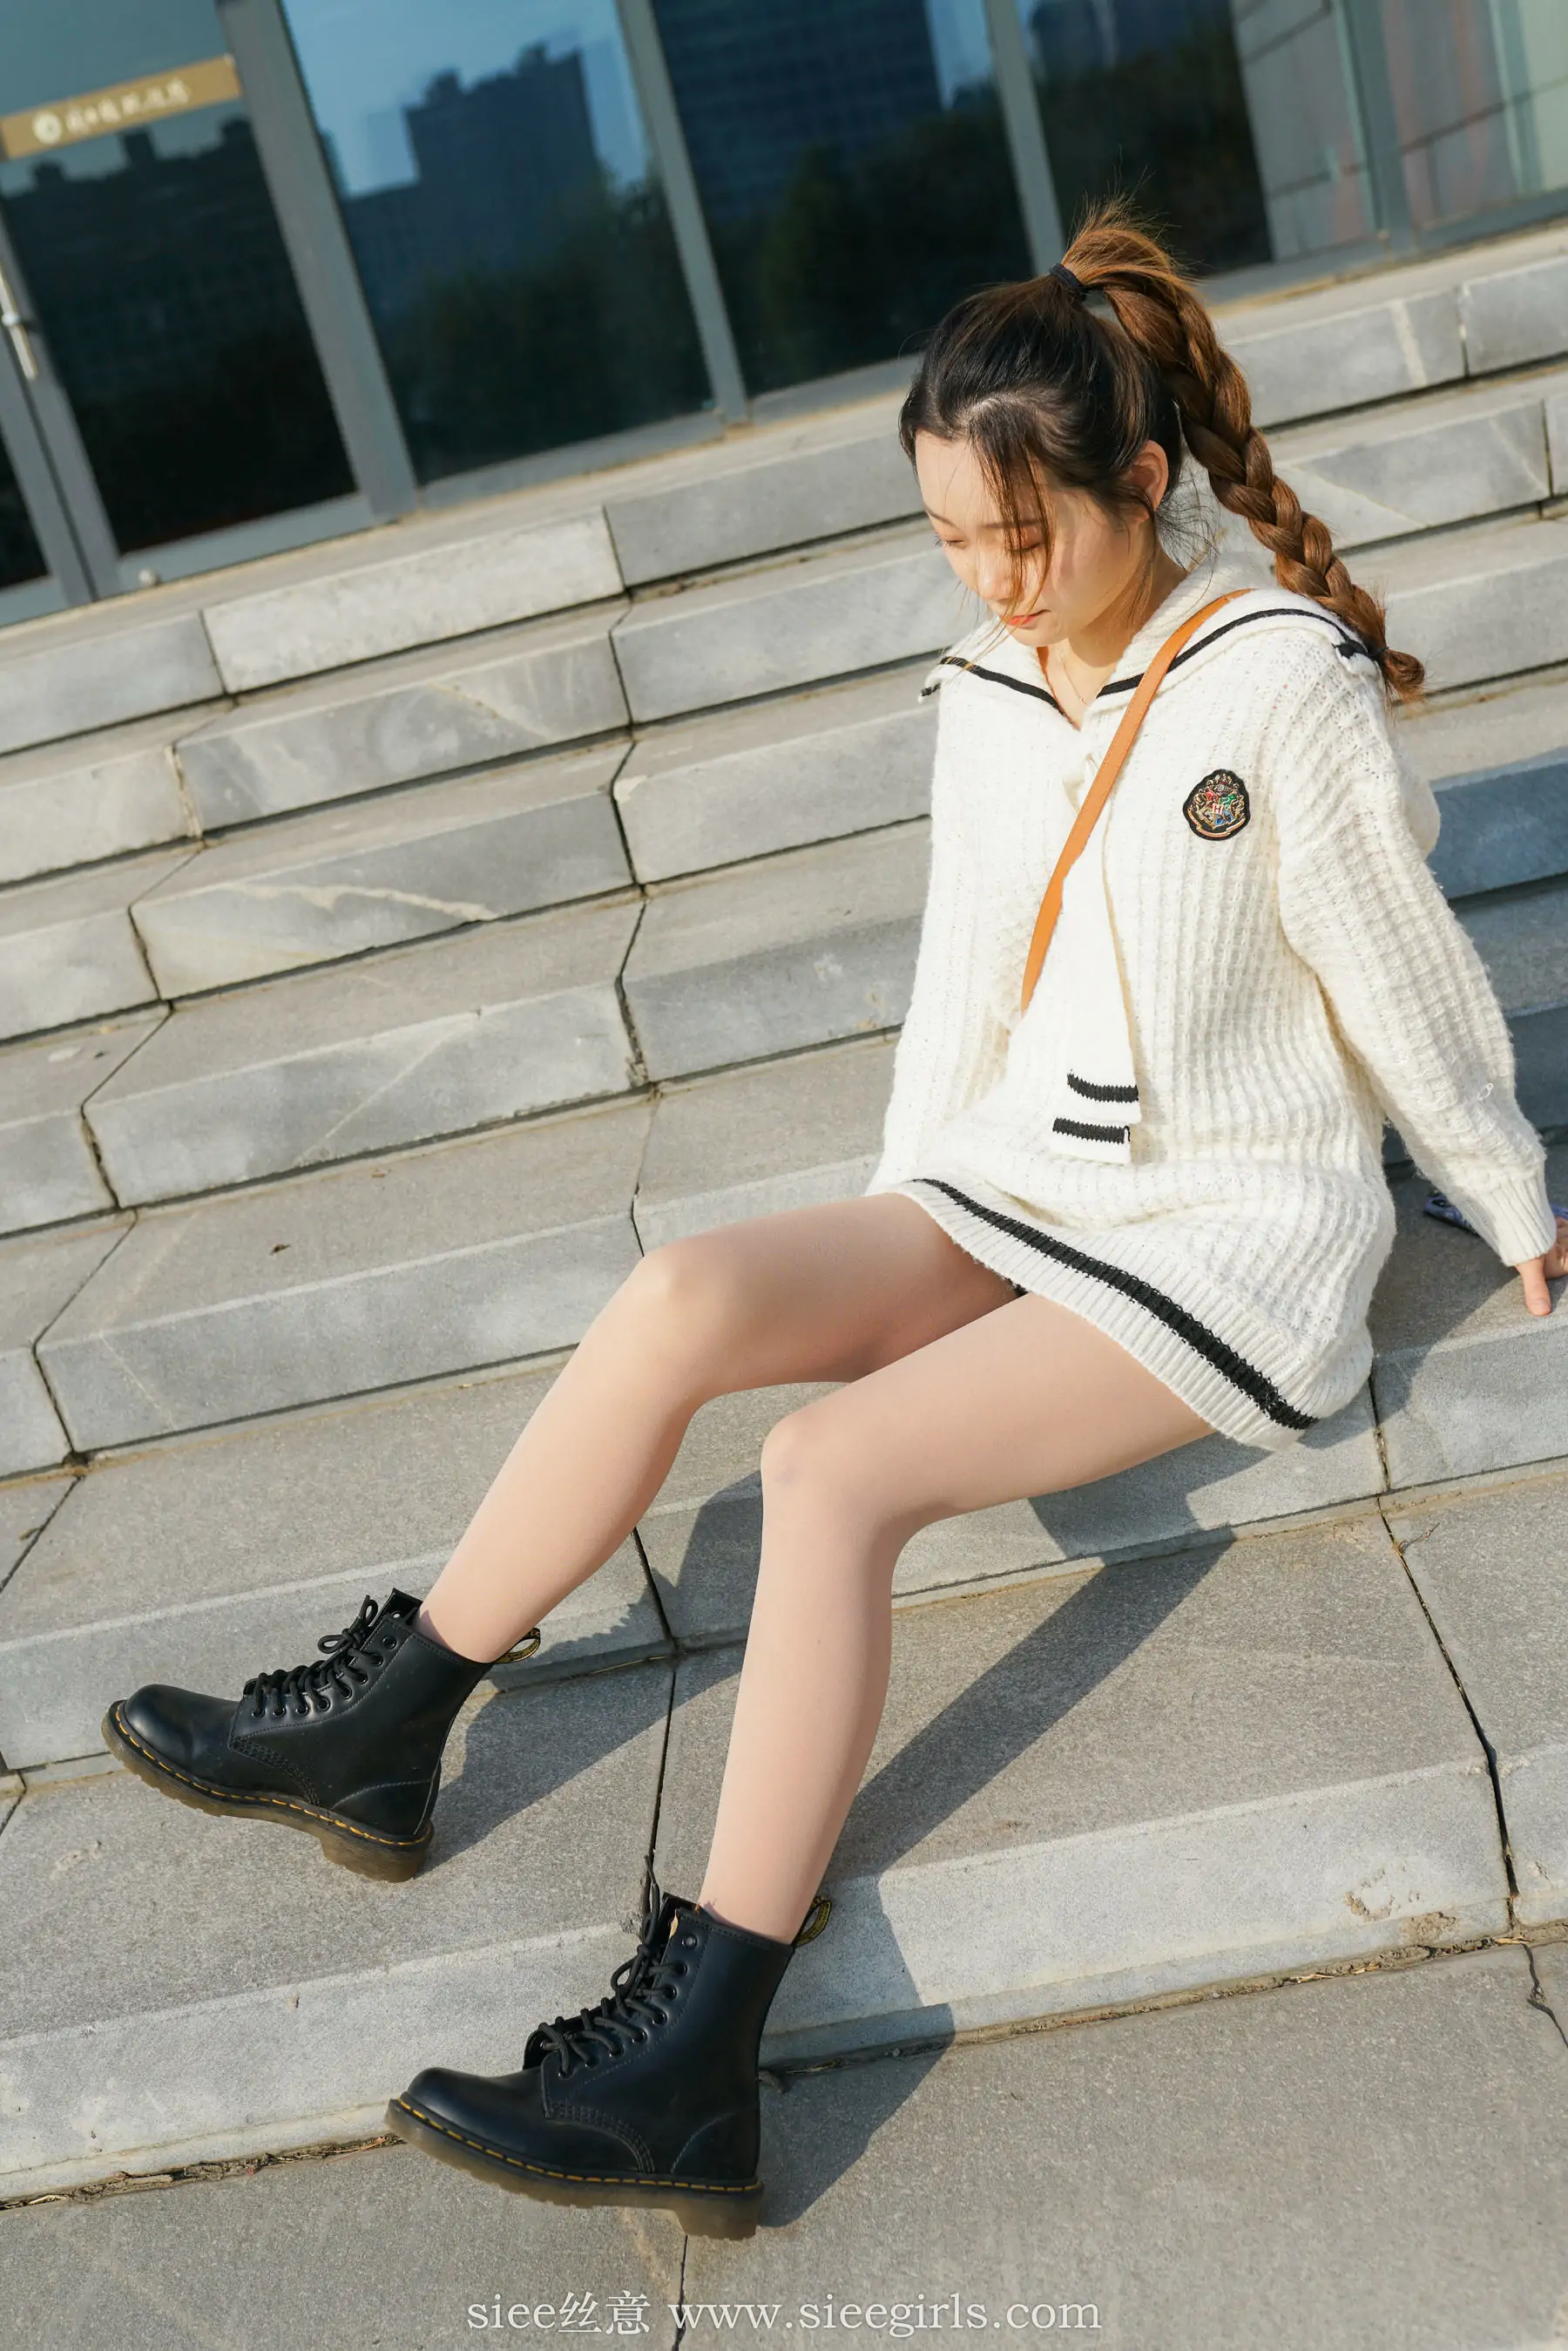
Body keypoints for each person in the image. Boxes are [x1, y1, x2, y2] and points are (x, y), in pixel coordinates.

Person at [104, 200, 1567, 2238]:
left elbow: (1392, 965)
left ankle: (695, 2057)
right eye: (954, 537)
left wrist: (1505, 1190)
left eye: (1024, 536)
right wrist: (899, 1241)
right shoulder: (989, 683)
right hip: (1021, 1176)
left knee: (829, 1467)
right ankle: (391, 1718)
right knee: (688, 1291)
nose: (990, 578)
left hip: (1229, 1227)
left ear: (1143, 480)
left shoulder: (1278, 684)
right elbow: (964, 989)